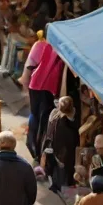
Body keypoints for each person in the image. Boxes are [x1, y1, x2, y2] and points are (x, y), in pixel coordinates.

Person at [22, 30, 64, 161]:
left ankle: (32, 144)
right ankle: (38, 148)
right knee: (44, 118)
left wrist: (25, 86)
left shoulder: (39, 45)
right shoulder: (62, 48)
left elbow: (30, 66)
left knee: (35, 114)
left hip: (35, 84)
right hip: (50, 87)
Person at [41, 95, 78, 191]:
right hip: (62, 149)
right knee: (61, 167)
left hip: (54, 146)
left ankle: (55, 183)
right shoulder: (65, 121)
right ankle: (59, 183)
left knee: (56, 167)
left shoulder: (55, 115)